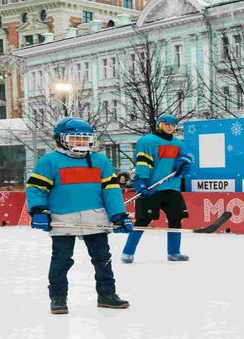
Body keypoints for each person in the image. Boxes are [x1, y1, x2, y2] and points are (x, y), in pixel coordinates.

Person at [25, 117, 133, 314]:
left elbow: (111, 190)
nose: (82, 143)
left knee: (103, 259)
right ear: (61, 139)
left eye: (85, 139)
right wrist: (38, 210)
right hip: (62, 220)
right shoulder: (49, 161)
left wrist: (118, 215)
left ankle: (107, 294)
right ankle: (58, 298)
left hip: (96, 218)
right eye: (76, 138)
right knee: (61, 260)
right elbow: (36, 189)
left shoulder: (100, 160)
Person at [120, 113, 194, 263]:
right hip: (151, 187)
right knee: (143, 220)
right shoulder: (147, 141)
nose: (170, 127)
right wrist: (140, 181)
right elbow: (143, 162)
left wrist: (184, 165)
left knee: (176, 219)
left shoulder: (179, 144)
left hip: (172, 187)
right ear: (160, 124)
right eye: (166, 124)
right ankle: (127, 252)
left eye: (173, 125)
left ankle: (174, 252)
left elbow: (185, 161)